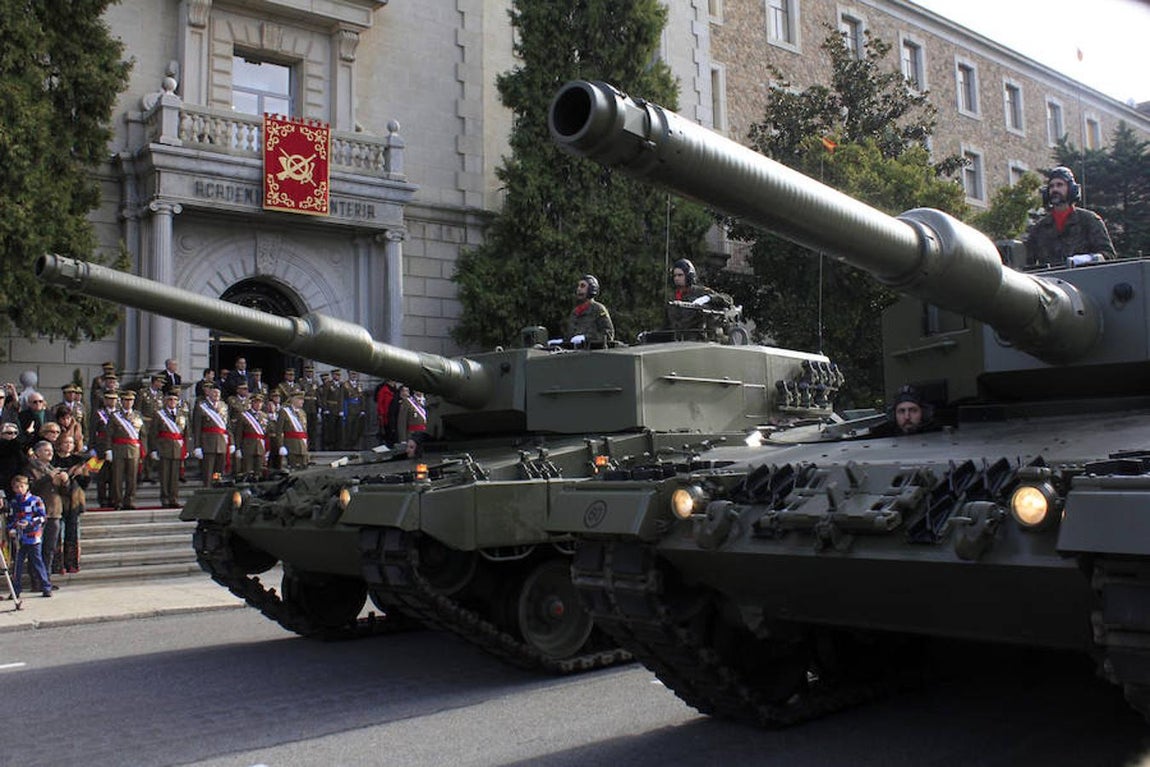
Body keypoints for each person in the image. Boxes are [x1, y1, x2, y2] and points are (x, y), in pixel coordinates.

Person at [1024, 166, 1116, 268]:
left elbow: (1109, 255)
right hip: (1051, 281)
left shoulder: (1089, 221)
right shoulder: (1039, 229)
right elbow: (1027, 264)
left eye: (1060, 185)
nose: (1055, 189)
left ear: (1071, 188)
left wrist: (1086, 259)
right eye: (1051, 186)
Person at [25, 440, 68, 578]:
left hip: (54, 512)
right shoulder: (30, 468)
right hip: (37, 514)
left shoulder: (52, 468)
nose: (50, 453)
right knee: (36, 549)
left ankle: (46, 578)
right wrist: (49, 477)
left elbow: (64, 492)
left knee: (50, 549)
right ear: (37, 453)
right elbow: (31, 488)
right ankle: (36, 579)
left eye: (51, 450)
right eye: (46, 450)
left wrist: (65, 481)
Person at [7, 474, 52, 598]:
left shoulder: (36, 500)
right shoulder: (14, 502)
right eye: (16, 487)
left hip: (33, 536)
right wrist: (11, 528)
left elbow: (42, 517)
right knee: (17, 565)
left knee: (37, 562)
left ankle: (46, 586)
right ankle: (16, 590)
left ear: (27, 486)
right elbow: (11, 517)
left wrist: (30, 523)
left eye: (22, 486)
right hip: (19, 537)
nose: (19, 489)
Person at [51, 434, 88, 573]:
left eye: (71, 443)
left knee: (73, 533)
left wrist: (80, 474)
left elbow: (85, 483)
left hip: (74, 499)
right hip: (57, 499)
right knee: (58, 534)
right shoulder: (53, 459)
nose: (68, 445)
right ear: (59, 444)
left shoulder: (78, 460)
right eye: (66, 442)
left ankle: (72, 563)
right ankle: (57, 564)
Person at [665, 258, 730, 332]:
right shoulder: (672, 298)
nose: (676, 278)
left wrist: (708, 298)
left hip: (700, 339)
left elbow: (727, 299)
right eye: (674, 276)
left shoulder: (700, 292)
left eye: (680, 275)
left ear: (689, 276)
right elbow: (667, 325)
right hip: (677, 341)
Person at [149, 388, 188, 507]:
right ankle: (165, 498)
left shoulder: (182, 415)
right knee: (165, 475)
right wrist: (154, 449)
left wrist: (185, 448)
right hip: (164, 447)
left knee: (175, 476)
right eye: (170, 399)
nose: (172, 402)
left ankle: (174, 498)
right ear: (165, 401)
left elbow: (185, 433)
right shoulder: (159, 414)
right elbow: (153, 433)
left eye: (174, 400)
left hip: (177, 448)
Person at [108, 390, 145, 509]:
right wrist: (108, 450)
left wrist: (144, 450)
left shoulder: (138, 415)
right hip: (118, 449)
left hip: (134, 449)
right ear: (121, 401)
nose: (128, 403)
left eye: (131, 400)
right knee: (117, 477)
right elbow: (109, 434)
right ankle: (117, 501)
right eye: (126, 400)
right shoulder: (115, 416)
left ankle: (129, 500)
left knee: (132, 477)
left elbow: (143, 435)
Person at [192, 383, 232, 485]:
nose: (216, 394)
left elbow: (228, 426)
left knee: (218, 471)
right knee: (208, 470)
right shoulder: (201, 406)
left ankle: (216, 485)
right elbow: (197, 428)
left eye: (218, 392)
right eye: (214, 392)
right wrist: (197, 446)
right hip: (208, 442)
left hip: (222, 442)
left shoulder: (224, 406)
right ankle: (208, 489)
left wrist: (232, 442)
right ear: (209, 392)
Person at [564, 274, 614, 347]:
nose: (578, 289)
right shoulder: (575, 312)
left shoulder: (598, 309)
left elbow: (608, 334)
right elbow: (570, 336)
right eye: (578, 286)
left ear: (591, 288)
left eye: (583, 286)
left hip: (594, 353)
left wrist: (586, 338)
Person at [234, 392, 269, 477]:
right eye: (256, 402)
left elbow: (266, 434)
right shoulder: (244, 415)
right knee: (247, 471)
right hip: (248, 446)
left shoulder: (264, 416)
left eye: (260, 402)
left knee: (259, 472)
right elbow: (238, 433)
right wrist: (238, 448)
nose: (258, 404)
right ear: (252, 403)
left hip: (260, 447)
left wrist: (267, 448)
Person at [278, 391, 310, 469]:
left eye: (302, 399)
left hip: (303, 446)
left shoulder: (302, 412)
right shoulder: (284, 412)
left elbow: (304, 430)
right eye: (300, 399)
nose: (302, 401)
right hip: (291, 446)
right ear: (293, 400)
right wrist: (281, 445)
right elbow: (279, 430)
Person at [342, 371, 366, 450]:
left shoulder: (359, 385)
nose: (354, 376)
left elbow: (362, 398)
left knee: (357, 428)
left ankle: (355, 444)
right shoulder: (345, 385)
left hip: (358, 408)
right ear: (349, 375)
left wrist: (362, 409)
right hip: (349, 408)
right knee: (349, 428)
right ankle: (348, 445)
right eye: (352, 374)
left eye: (355, 374)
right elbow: (342, 398)